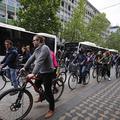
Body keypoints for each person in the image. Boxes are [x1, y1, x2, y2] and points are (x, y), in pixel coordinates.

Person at [21, 35, 55, 119]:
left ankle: (51, 109)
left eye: (34, 40)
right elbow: (31, 59)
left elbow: (39, 61)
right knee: (36, 85)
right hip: (41, 72)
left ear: (39, 40)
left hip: (48, 72)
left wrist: (33, 73)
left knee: (48, 91)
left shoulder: (45, 48)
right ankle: (42, 95)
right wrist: (24, 67)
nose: (32, 42)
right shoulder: (36, 50)